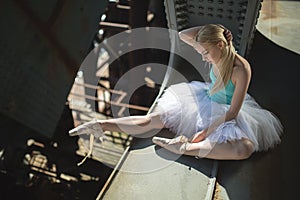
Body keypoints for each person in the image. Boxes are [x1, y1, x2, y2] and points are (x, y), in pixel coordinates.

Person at [69, 24, 283, 161]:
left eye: (206, 53)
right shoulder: (216, 49)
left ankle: (185, 148)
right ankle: (101, 125)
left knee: (243, 149)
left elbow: (233, 113)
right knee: (152, 120)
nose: (204, 58)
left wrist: (204, 132)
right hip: (201, 97)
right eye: (201, 53)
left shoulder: (241, 69)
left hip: (225, 112)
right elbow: (183, 35)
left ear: (220, 45)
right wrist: (216, 28)